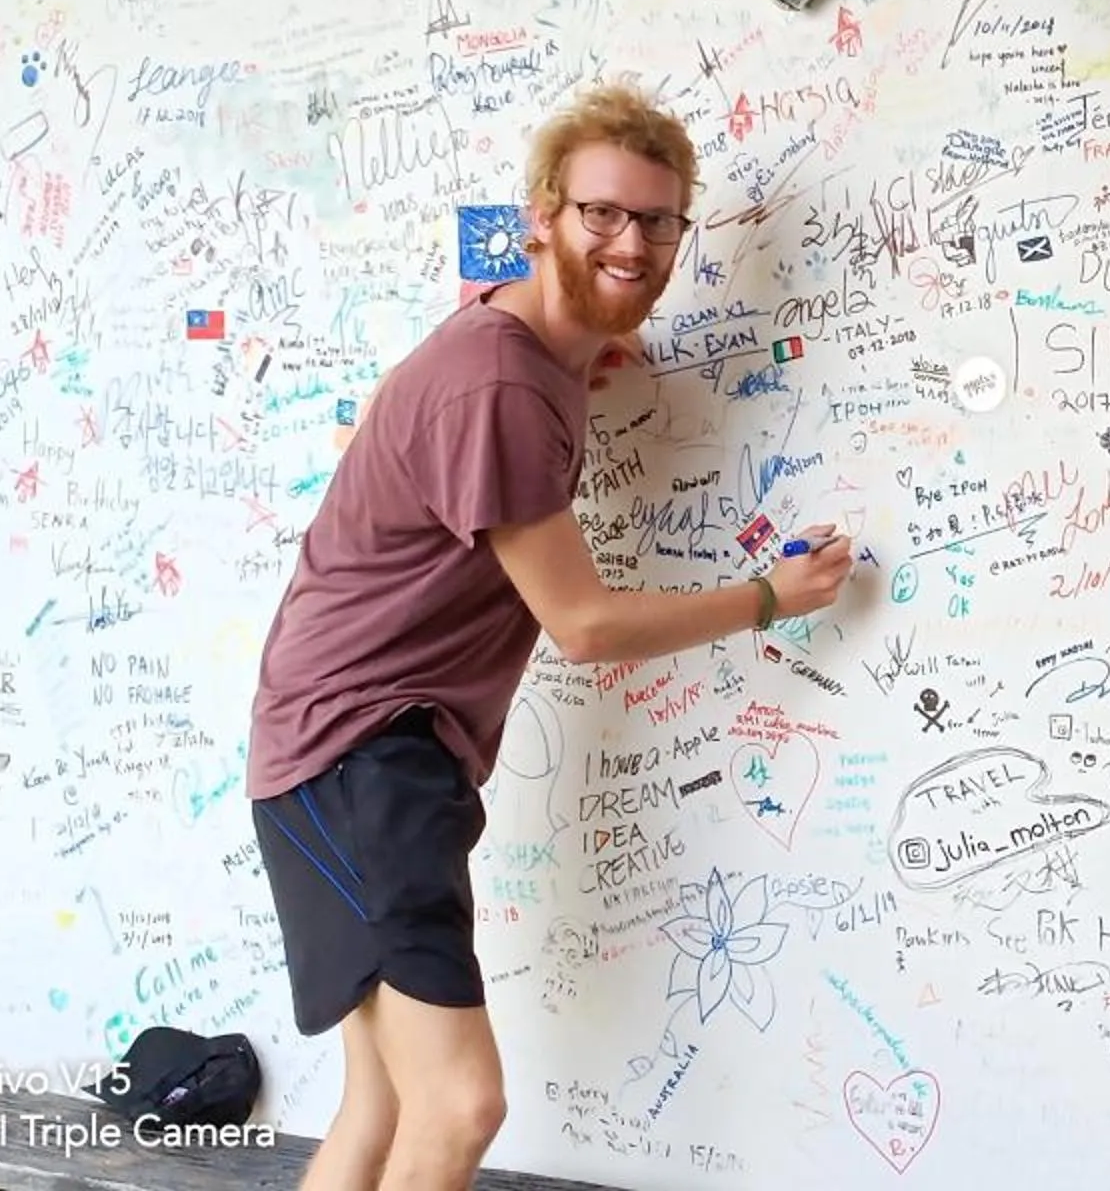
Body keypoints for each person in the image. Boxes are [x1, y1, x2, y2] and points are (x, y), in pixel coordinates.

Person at [244, 81, 855, 1191]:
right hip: (360, 756)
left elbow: (418, 399)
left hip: (349, 750)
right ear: (543, 215)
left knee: (382, 1104)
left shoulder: (522, 342)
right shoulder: (502, 382)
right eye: (603, 214)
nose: (633, 242)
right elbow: (581, 625)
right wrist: (769, 598)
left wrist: (582, 366)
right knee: (462, 1102)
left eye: (658, 220)